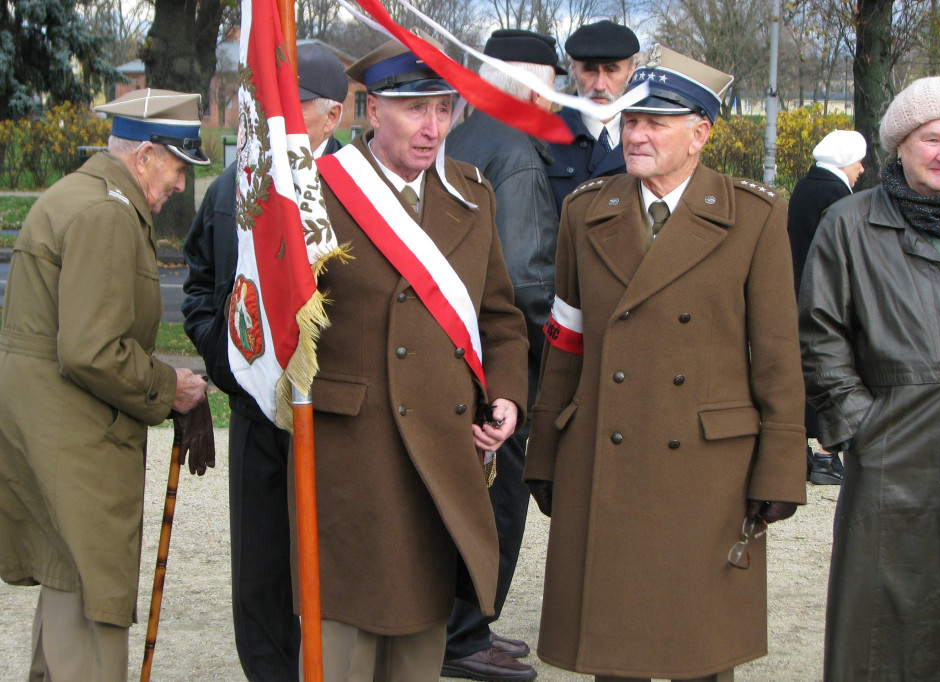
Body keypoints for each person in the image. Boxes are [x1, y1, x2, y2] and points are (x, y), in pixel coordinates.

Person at [525, 45, 807, 682]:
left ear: (700, 134)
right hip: (606, 450)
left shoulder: (754, 216)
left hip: (706, 468)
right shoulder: (586, 210)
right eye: (631, 121)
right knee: (614, 651)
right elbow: (566, 343)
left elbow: (777, 355)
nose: (637, 134)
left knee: (696, 651)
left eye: (657, 122)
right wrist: (544, 449)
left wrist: (781, 467)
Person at [303, 35, 529, 682]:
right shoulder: (318, 193)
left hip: (440, 447)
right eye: (415, 110)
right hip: (353, 452)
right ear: (372, 111)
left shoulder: (472, 191)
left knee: (417, 653)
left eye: (445, 109)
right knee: (344, 647)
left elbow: (500, 316)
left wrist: (506, 395)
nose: (434, 128)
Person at [800, 76, 940, 681]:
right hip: (894, 441)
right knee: (880, 608)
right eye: (931, 139)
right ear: (899, 145)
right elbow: (820, 331)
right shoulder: (850, 223)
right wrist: (857, 424)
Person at [0, 88, 212, 681]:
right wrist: (170, 386)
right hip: (76, 440)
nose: (178, 184)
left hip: (53, 430)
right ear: (144, 155)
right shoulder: (107, 212)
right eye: (176, 167)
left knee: (69, 587)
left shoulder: (85, 196)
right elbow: (92, 349)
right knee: (93, 609)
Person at [181, 42, 348, 682]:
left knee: (331, 567)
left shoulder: (355, 193)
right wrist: (227, 363)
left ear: (332, 116)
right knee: (259, 573)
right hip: (256, 408)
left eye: (294, 104)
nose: (275, 116)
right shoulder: (234, 187)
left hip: (335, 415)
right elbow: (200, 284)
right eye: (267, 101)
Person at [441, 28, 562, 682]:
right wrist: (561, 353)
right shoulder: (515, 152)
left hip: (452, 350)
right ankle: (465, 635)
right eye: (552, 82)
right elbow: (525, 277)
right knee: (499, 496)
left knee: (465, 495)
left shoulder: (460, 135)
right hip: (501, 358)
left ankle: (463, 625)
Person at [787, 129, 866, 486]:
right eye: (858, 160)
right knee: (830, 367)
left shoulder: (806, 185)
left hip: (798, 286)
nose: (862, 169)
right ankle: (825, 456)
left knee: (802, 369)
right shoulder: (836, 193)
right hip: (827, 294)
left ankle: (801, 451)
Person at [546, 20, 639, 214]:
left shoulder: (649, 137)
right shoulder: (544, 138)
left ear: (631, 71)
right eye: (589, 69)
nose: (599, 85)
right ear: (573, 69)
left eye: (611, 70)